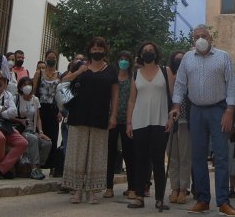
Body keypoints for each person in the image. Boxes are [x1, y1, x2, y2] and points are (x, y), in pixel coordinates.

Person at [171, 24, 235, 216]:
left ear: (210, 38)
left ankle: (223, 202)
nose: (200, 39)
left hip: (218, 110)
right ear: (193, 40)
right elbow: (180, 84)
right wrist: (176, 106)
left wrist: (230, 111)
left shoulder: (223, 56)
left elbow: (231, 84)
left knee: (221, 156)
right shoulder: (187, 58)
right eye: (197, 36)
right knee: (198, 157)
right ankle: (202, 200)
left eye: (204, 35)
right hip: (196, 111)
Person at [62, 38, 119, 204]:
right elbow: (64, 81)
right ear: (89, 50)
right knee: (77, 154)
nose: (97, 51)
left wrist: (113, 115)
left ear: (105, 50)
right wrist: (79, 72)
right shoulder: (80, 66)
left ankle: (93, 192)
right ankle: (77, 190)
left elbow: (115, 95)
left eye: (100, 48)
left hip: (100, 117)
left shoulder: (111, 70)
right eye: (94, 48)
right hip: (78, 115)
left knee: (97, 154)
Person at [126, 42, 174, 211]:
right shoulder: (136, 74)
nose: (148, 53)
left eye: (151, 50)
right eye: (145, 51)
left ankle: (159, 199)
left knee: (158, 160)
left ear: (156, 53)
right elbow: (132, 100)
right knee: (140, 159)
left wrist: (171, 117)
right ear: (140, 54)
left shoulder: (165, 71)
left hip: (161, 121)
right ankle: (139, 196)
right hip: (139, 121)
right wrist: (129, 123)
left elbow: (173, 97)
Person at [105, 50, 136, 199]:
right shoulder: (112, 77)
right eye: (121, 58)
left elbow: (133, 99)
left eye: (126, 59)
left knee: (129, 155)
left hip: (127, 121)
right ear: (117, 61)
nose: (124, 61)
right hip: (112, 120)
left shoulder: (133, 78)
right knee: (110, 154)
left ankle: (132, 188)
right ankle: (109, 187)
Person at [15, 76, 52, 180]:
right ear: (20, 87)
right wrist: (20, 120)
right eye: (24, 85)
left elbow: (38, 117)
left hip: (32, 130)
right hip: (21, 130)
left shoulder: (35, 100)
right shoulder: (16, 99)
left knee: (47, 143)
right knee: (33, 139)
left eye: (29, 84)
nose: (27, 87)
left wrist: (41, 132)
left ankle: (38, 166)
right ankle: (34, 168)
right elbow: (10, 115)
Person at [165, 51, 190, 204]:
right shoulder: (168, 76)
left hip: (185, 121)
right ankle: (174, 188)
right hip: (170, 121)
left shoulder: (189, 76)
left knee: (185, 156)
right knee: (172, 156)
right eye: (176, 59)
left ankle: (183, 189)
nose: (179, 62)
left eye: (182, 59)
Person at [33, 49, 62, 173]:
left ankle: (51, 166)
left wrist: (60, 111)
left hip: (53, 109)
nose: (51, 60)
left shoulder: (59, 75)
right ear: (45, 58)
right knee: (39, 135)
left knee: (53, 136)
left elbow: (60, 95)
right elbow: (34, 92)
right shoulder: (39, 74)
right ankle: (37, 165)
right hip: (41, 107)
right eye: (49, 57)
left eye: (53, 58)